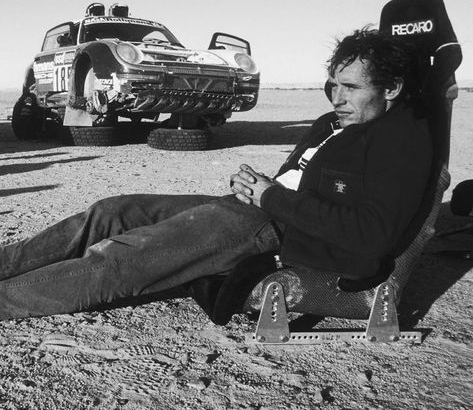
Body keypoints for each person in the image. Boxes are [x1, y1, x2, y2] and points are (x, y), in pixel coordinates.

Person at [0, 29, 433, 320]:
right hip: (257, 207)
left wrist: (269, 198)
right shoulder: (334, 122)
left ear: (391, 88)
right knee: (112, 211)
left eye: (351, 88)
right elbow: (298, 179)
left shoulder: (401, 142)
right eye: (332, 85)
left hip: (281, 229)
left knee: (123, 258)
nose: (336, 97)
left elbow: (370, 236)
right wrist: (257, 185)